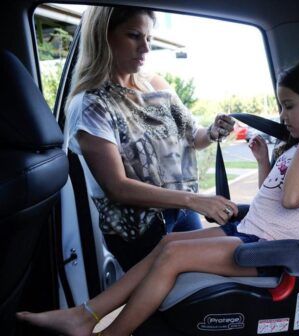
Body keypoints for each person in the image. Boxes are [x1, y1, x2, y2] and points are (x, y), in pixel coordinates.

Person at [17, 56, 299, 336]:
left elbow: (292, 200)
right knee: (167, 243)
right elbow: (274, 197)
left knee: (173, 259)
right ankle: (84, 315)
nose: (282, 115)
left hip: (271, 251)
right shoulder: (298, 150)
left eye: (289, 106)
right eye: (280, 106)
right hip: (251, 231)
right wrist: (265, 161)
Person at [63, 6, 238, 271]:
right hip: (138, 230)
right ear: (103, 36)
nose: (145, 48)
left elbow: (195, 136)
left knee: (194, 295)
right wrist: (196, 200)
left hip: (183, 212)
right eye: (134, 36)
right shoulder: (91, 105)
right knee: (161, 305)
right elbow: (118, 188)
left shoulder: (156, 85)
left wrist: (213, 131)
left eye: (148, 39)